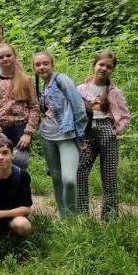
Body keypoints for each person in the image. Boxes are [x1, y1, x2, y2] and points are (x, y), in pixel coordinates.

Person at [76, 50, 131, 219]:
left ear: (112, 70)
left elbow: (125, 116)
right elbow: (75, 112)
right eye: (101, 64)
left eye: (109, 66)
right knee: (80, 171)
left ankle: (110, 216)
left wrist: (116, 131)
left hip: (107, 130)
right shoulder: (80, 89)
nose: (104, 68)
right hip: (87, 132)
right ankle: (81, 213)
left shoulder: (114, 92)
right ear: (94, 65)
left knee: (109, 175)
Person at [33, 51, 88, 217]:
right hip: (47, 136)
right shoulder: (41, 85)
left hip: (67, 135)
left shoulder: (61, 79)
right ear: (34, 68)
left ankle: (71, 219)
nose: (42, 67)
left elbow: (79, 108)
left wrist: (80, 136)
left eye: (45, 63)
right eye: (38, 65)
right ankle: (63, 218)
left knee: (69, 180)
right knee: (56, 178)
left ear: (52, 64)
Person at [0, 44, 39, 161]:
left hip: (20, 130)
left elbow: (34, 107)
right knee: (0, 164)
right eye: (1, 57)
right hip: (0, 130)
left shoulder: (25, 80)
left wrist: (28, 133)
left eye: (8, 55)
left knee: (20, 162)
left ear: (15, 57)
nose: (5, 59)